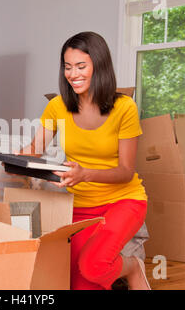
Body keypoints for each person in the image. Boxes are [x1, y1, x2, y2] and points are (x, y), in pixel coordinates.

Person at [18, 31, 150, 290]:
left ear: (98, 66)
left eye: (81, 66)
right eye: (68, 67)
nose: (73, 74)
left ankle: (133, 267)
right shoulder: (57, 106)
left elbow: (125, 171)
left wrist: (85, 174)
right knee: (79, 281)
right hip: (79, 207)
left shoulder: (124, 108)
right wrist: (15, 160)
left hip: (123, 202)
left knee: (93, 266)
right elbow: (35, 148)